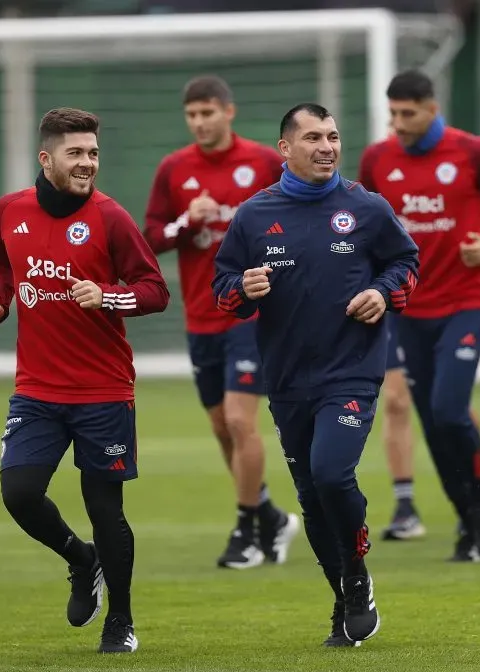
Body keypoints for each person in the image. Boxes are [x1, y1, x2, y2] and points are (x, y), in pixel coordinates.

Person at [212, 103, 419, 647]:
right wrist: (242, 288)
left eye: (333, 136)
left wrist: (382, 292)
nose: (327, 146)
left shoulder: (366, 207)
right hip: (286, 378)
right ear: (285, 148)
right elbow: (223, 286)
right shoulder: (254, 215)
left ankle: (357, 574)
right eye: (313, 138)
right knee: (310, 495)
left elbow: (406, 264)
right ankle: (345, 595)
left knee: (331, 474)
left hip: (351, 372)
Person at [0, 107, 170, 653]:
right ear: (46, 158)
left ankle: (122, 623)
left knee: (105, 509)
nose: (88, 163)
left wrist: (108, 296)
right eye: (76, 154)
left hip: (103, 391)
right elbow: (1, 263)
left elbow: (155, 290)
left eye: (93, 153)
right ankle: (81, 560)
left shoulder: (111, 218)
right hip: (37, 389)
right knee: (19, 493)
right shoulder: (9, 210)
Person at [359, 69, 480, 562]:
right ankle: (467, 516)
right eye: (392, 114)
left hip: (466, 301)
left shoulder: (472, 151)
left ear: (432, 109)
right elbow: (366, 220)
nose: (398, 123)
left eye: (407, 113)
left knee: (450, 408)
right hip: (409, 307)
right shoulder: (378, 159)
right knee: (432, 420)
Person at [143, 75, 300, 568]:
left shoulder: (262, 163)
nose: (200, 122)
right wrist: (187, 221)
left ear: (228, 112)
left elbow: (298, 218)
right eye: (192, 115)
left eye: (208, 112)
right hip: (201, 314)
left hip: (251, 313)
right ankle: (271, 517)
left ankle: (246, 530)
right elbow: (151, 237)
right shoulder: (174, 168)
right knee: (221, 427)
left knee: (239, 419)